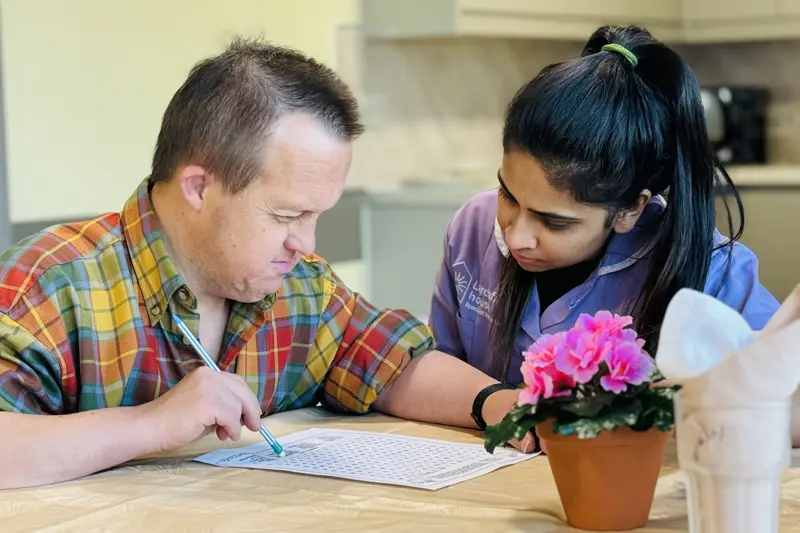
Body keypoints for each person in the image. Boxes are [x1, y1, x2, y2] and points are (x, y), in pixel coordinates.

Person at [0, 38, 533, 490]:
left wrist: (497, 403)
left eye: (317, 215)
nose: (306, 242)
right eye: (286, 214)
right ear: (199, 187)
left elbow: (391, 362)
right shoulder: (50, 285)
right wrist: (150, 424)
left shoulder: (301, 288)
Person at [429, 25, 779, 384]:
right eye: (508, 195)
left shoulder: (716, 275)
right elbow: (434, 368)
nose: (515, 237)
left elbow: (785, 389)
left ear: (631, 209)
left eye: (554, 222)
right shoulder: (472, 228)